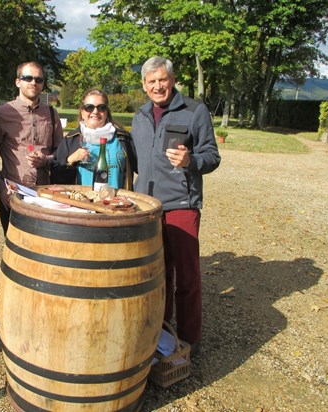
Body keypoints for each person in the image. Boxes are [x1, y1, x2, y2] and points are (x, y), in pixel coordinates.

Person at [130, 56, 221, 354]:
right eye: (151, 81)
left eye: (162, 79)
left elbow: (212, 156)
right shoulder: (140, 116)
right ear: (144, 86)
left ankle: (190, 337)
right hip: (148, 206)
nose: (158, 86)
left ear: (172, 79)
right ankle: (163, 331)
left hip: (182, 203)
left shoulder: (194, 111)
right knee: (158, 272)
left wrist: (191, 161)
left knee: (187, 274)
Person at [0, 61, 64, 234]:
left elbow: (62, 153)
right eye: (28, 78)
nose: (33, 82)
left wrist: (45, 161)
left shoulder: (52, 114)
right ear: (18, 82)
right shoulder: (2, 114)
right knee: (15, 249)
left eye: (38, 79)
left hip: (45, 195)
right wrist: (1, 191)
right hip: (13, 194)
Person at [51, 88, 135, 190]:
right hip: (80, 203)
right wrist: (69, 161)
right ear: (82, 112)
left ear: (107, 112)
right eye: (89, 107)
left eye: (101, 107)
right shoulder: (71, 140)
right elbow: (55, 177)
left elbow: (143, 170)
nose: (95, 111)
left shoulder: (123, 139)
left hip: (116, 203)